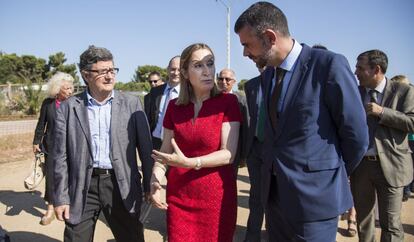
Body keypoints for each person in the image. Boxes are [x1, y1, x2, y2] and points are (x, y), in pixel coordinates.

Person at [234, 2, 369, 241]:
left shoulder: (328, 66)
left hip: (315, 204)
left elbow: (356, 137)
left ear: (269, 37)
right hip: (274, 200)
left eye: (247, 44)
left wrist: (325, 177)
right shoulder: (267, 76)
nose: (245, 52)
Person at [52, 45, 153, 242]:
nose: (109, 76)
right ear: (86, 75)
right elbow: (59, 157)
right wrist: (61, 198)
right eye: (102, 72)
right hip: (82, 185)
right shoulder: (68, 108)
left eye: (112, 70)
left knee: (131, 238)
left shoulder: (131, 104)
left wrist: (150, 184)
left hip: (120, 185)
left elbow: (146, 148)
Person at [149, 43, 241, 242]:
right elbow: (165, 151)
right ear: (184, 72)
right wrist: (155, 179)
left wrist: (191, 163)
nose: (207, 71)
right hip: (179, 197)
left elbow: (228, 154)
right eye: (198, 66)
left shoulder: (228, 103)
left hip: (216, 198)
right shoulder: (174, 107)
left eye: (210, 64)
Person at [352, 50, 414, 242]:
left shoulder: (404, 91)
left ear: (376, 69)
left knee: (391, 224)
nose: (356, 72)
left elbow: (411, 122)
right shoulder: (355, 92)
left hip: (391, 166)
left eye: (360, 68)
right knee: (364, 222)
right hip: (361, 167)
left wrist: (383, 112)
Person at [32, 71, 74, 225]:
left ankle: (70, 205)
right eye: (67, 88)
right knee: (51, 177)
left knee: (70, 176)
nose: (70, 91)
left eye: (71, 88)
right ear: (57, 89)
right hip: (51, 146)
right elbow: (41, 124)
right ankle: (50, 209)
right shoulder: (48, 103)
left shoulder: (74, 103)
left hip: (71, 147)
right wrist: (36, 142)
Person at [243, 65, 266, 242]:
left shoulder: (286, 84)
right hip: (256, 148)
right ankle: (252, 236)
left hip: (278, 152)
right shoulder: (251, 86)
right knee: (256, 196)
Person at [145, 56, 181, 150]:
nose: (176, 73)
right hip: (155, 142)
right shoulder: (155, 92)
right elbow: (149, 118)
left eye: (179, 70)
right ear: (168, 70)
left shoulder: (189, 94)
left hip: (176, 143)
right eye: (173, 69)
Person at [217, 68, 248, 169]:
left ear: (234, 82)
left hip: (233, 152)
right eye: (221, 79)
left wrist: (243, 155)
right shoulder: (210, 98)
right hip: (212, 150)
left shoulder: (241, 101)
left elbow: (245, 129)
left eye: (227, 79)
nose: (223, 82)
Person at [390, 75, 414, 202]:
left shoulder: (408, 97)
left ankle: (406, 189)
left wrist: (383, 112)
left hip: (406, 141)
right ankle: (407, 189)